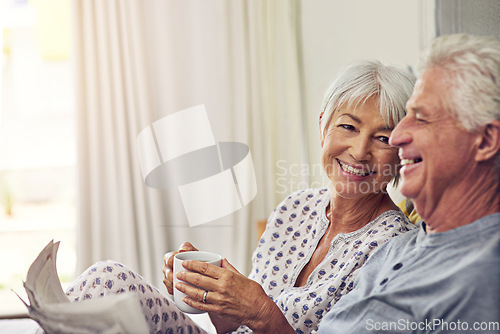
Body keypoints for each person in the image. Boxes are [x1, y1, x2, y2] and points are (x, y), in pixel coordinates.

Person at [64, 60, 416, 334]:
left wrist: (261, 311)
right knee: (106, 279)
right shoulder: (294, 209)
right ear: (323, 126)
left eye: (382, 138)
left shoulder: (396, 248)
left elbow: (258, 315)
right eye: (348, 127)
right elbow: (231, 327)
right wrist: (212, 294)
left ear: (401, 152)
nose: (358, 150)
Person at [315, 33, 500, 334]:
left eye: (422, 118)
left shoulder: (485, 275)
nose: (398, 138)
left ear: (486, 141)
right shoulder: (396, 251)